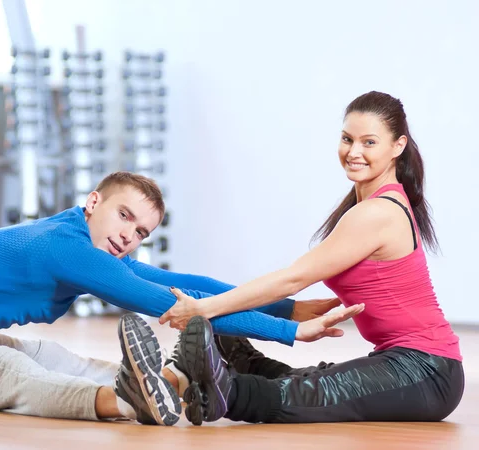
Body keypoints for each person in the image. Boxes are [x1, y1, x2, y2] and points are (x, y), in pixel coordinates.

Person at [0, 171, 354, 427]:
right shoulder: (67, 248)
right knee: (19, 373)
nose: (128, 236)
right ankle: (123, 403)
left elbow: (186, 285)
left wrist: (286, 307)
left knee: (59, 358)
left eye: (141, 231)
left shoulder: (85, 239)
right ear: (94, 202)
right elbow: (175, 308)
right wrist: (291, 332)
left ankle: (173, 386)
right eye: (124, 216)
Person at [160, 91, 465, 425]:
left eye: (369, 142)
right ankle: (235, 360)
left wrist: (204, 308)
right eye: (347, 139)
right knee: (311, 381)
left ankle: (217, 389)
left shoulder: (378, 212)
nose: (354, 152)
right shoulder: (372, 205)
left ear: (397, 146)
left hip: (427, 370)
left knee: (315, 392)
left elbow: (294, 278)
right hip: (412, 364)